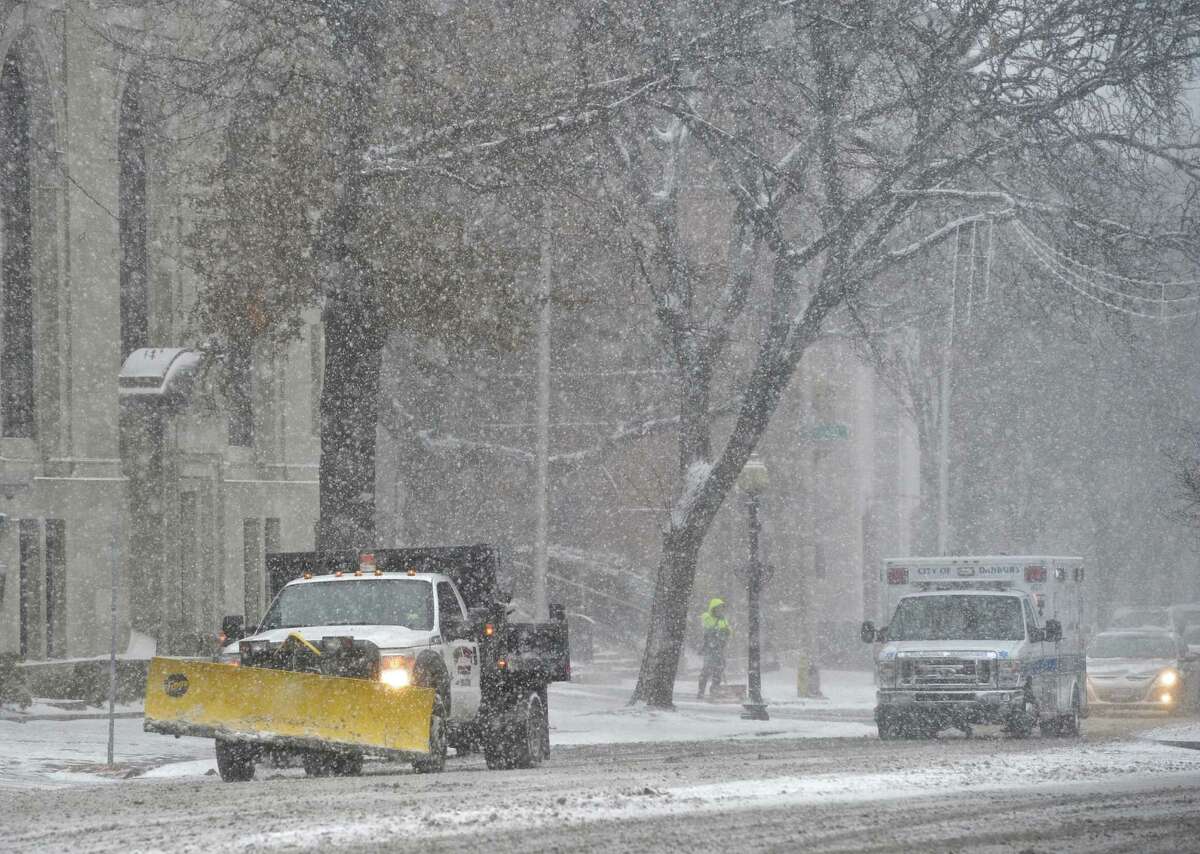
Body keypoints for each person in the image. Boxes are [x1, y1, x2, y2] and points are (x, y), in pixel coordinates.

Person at [698, 597, 732, 700]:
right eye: (718, 608)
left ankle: (714, 691)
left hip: (719, 648)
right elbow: (707, 629)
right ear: (713, 608)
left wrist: (726, 633)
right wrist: (716, 632)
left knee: (719, 670)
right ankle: (701, 692)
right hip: (710, 649)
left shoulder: (724, 620)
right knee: (706, 670)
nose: (720, 610)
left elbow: (729, 632)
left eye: (722, 608)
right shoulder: (707, 617)